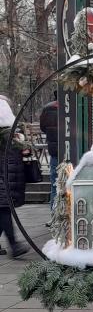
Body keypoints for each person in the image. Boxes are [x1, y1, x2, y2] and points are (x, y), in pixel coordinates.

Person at [0, 96, 29, 257]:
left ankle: (14, 245)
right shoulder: (8, 136)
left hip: (7, 178)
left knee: (2, 211)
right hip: (4, 179)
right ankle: (14, 245)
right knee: (4, 210)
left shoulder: (10, 135)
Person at [39, 90, 58, 209]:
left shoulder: (47, 108)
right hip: (71, 150)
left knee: (55, 183)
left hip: (54, 150)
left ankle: (54, 213)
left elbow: (43, 127)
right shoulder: (74, 106)